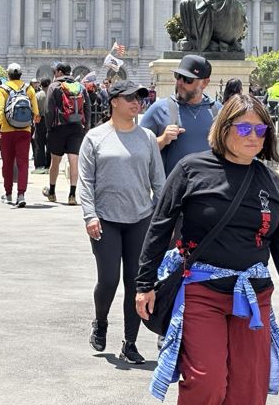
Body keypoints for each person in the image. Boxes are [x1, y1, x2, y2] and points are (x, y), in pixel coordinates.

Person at [135, 95, 279, 403]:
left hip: (253, 296)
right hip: (202, 292)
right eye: (244, 129)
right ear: (225, 128)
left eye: (261, 130)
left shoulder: (269, 180)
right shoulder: (191, 169)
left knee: (248, 388)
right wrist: (144, 284)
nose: (253, 137)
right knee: (207, 381)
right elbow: (160, 227)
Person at [77, 81, 165, 365]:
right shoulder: (95, 137)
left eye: (140, 98)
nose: (136, 103)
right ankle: (100, 322)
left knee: (136, 283)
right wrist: (90, 215)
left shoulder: (148, 137)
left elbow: (159, 182)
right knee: (109, 280)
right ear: (114, 101)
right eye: (129, 98)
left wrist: (161, 217)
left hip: (140, 219)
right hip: (105, 220)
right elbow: (85, 182)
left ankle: (130, 342)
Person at [140, 54, 221, 177]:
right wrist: (162, 140)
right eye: (178, 76)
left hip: (210, 190)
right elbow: (138, 149)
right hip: (173, 192)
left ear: (204, 83)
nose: (180, 83)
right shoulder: (159, 109)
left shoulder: (219, 111)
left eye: (188, 79)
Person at [43, 62, 91, 205]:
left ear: (59, 72)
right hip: (76, 127)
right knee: (74, 161)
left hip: (58, 128)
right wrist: (86, 127)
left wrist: (49, 127)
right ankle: (72, 195)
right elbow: (87, 107)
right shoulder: (80, 86)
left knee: (55, 162)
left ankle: (52, 192)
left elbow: (48, 110)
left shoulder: (54, 86)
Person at [0, 63, 39, 207]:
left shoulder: (3, 89)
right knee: (23, 163)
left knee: (7, 163)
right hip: (24, 130)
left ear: (8, 75)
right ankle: (21, 194)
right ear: (20, 75)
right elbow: (36, 112)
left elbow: (0, 108)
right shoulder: (29, 88)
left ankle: (8, 194)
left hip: (7, 131)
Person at [33, 78, 51, 173]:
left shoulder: (37, 95)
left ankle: (39, 165)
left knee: (39, 143)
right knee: (50, 143)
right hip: (50, 120)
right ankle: (48, 165)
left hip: (39, 120)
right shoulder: (52, 94)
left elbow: (34, 109)